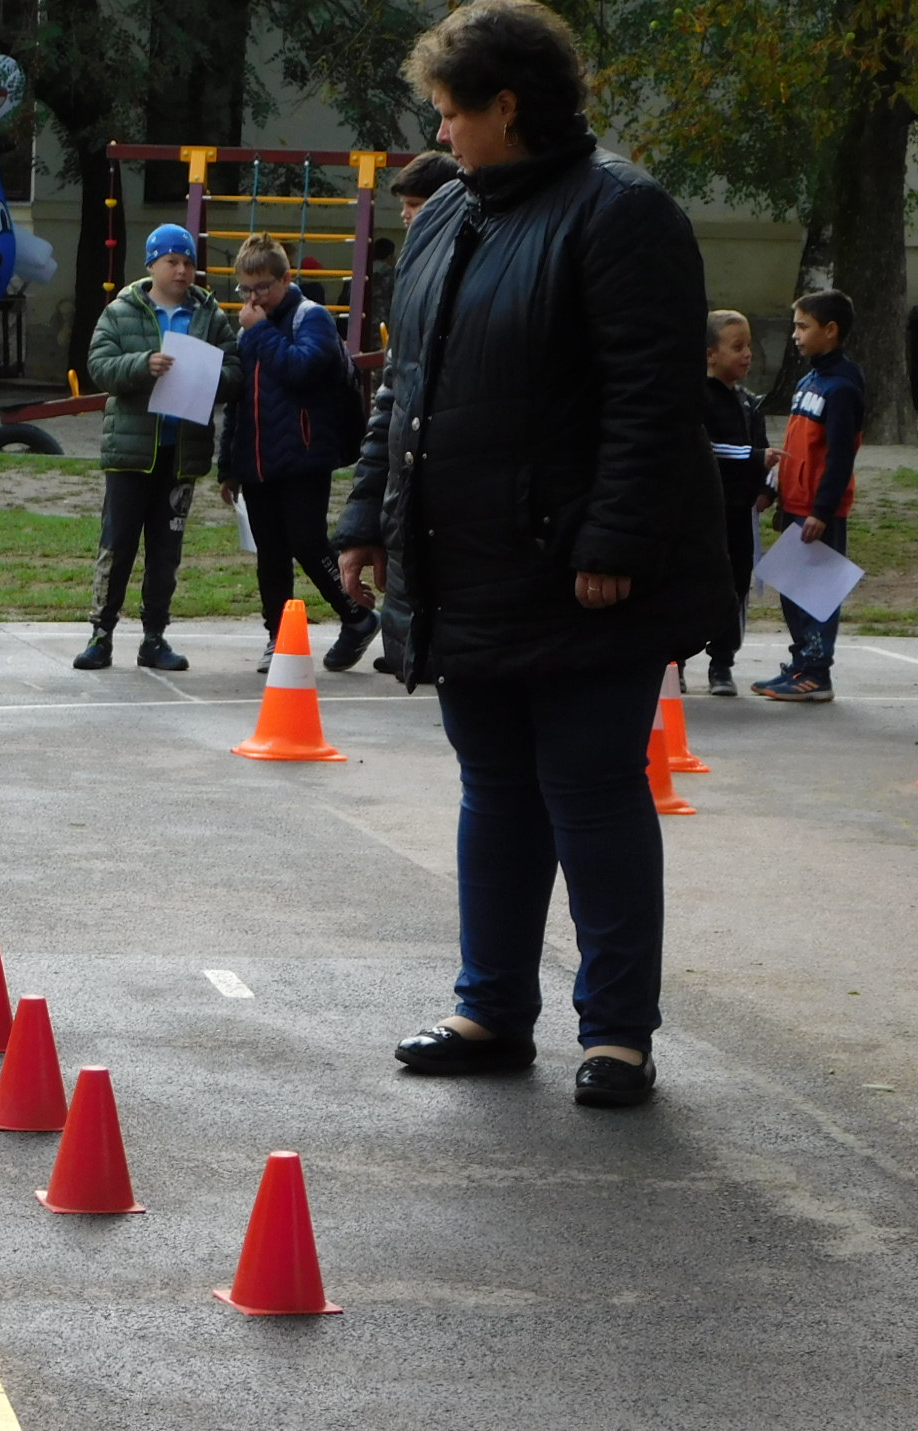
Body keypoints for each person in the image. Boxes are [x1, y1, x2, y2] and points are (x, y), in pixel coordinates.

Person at [333, 0, 733, 1108]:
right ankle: (491, 1009)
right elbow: (403, 392)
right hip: (465, 567)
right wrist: (365, 518)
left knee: (592, 794)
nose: (439, 132)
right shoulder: (445, 219)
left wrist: (613, 541)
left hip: (582, 578)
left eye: (451, 112)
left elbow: (651, 404)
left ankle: (617, 1037)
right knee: (496, 791)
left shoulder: (622, 213)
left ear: (508, 106)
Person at [74, 222, 242, 672]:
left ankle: (154, 637)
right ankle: (101, 635)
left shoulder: (209, 315)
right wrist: (142, 365)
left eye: (188, 263)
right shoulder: (121, 311)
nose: (182, 271)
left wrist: (209, 376)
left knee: (166, 550)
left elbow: (235, 370)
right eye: (172, 262)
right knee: (118, 544)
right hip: (131, 453)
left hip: (181, 452)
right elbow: (99, 365)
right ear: (152, 265)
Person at [217, 233, 380, 672]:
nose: (254, 298)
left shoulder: (311, 317)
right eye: (245, 289)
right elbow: (238, 403)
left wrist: (261, 332)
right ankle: (279, 636)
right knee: (270, 552)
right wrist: (229, 465)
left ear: (286, 279)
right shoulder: (249, 329)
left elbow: (303, 368)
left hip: (305, 456)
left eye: (262, 287)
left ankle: (357, 615)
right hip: (257, 461)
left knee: (307, 542)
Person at [372, 152, 463, 675]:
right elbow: (392, 394)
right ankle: (407, 646)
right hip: (403, 475)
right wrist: (361, 519)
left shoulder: (461, 266)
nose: (406, 215)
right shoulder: (413, 268)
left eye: (414, 204)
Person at [753, 289, 865, 703]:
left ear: (830, 330)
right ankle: (802, 664)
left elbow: (840, 456)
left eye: (803, 327)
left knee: (816, 594)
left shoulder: (842, 387)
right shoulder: (808, 382)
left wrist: (822, 510)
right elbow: (795, 446)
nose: (795, 335)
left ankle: (817, 674)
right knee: (792, 590)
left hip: (820, 510)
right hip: (795, 503)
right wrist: (774, 489)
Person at [697, 309, 772, 696]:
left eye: (749, 346)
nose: (747, 354)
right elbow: (706, 449)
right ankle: (674, 662)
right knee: (694, 582)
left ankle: (722, 663)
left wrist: (766, 488)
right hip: (702, 512)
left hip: (741, 511)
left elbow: (760, 448)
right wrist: (754, 458)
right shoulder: (696, 398)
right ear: (711, 354)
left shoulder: (748, 402)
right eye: (737, 346)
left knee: (736, 583)